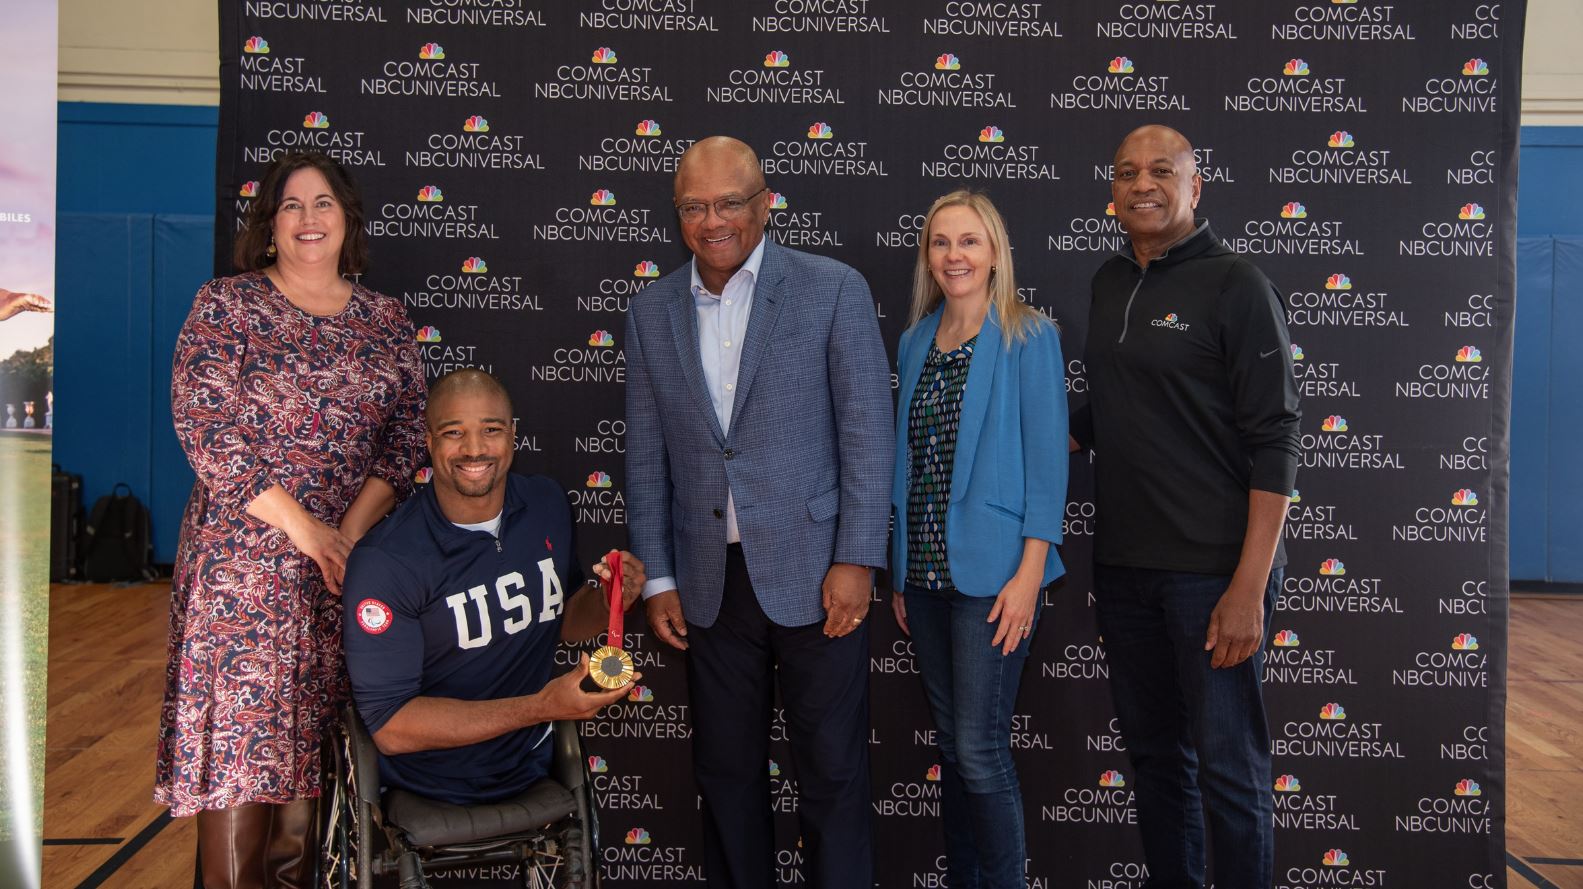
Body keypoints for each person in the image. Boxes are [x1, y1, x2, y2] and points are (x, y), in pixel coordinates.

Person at [624, 135, 892, 888]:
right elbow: (647, 460)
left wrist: (856, 558)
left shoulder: (831, 288)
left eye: (729, 201)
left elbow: (867, 433)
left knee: (833, 773)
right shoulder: (650, 312)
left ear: (765, 203)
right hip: (711, 587)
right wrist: (658, 580)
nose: (714, 219)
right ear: (677, 216)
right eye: (694, 206)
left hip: (817, 577)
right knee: (727, 774)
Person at [157, 151, 427, 889]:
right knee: (246, 768)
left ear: (347, 221)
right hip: (244, 574)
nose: (309, 219)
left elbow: (406, 442)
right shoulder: (227, 306)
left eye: (323, 204)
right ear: (269, 226)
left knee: (311, 769)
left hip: (342, 571)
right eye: (291, 206)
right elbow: (207, 427)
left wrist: (346, 535)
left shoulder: (386, 320)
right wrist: (307, 531)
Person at [1070, 125, 1302, 889]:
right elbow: (1105, 416)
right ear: (1111, 192)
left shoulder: (1238, 285)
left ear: (1194, 185)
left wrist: (1247, 587)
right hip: (1126, 572)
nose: (1143, 183)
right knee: (1156, 764)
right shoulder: (1108, 283)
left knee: (1230, 774)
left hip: (1211, 576)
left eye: (1161, 170)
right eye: (1127, 171)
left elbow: (1274, 441)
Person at [342, 369, 644, 805]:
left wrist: (610, 598)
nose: (474, 449)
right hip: (430, 782)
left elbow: (566, 623)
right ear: (429, 443)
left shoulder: (546, 503)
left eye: (491, 430)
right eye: (453, 433)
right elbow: (392, 728)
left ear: (513, 436)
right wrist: (541, 707)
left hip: (529, 764)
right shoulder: (387, 560)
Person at [888, 190, 1068, 889]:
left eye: (968, 241)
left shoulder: (1028, 335)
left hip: (995, 579)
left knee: (980, 748)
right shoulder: (912, 340)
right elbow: (906, 464)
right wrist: (900, 572)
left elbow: (1048, 466)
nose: (953, 255)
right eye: (940, 242)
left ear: (994, 252)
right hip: (925, 579)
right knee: (954, 751)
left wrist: (1028, 575)